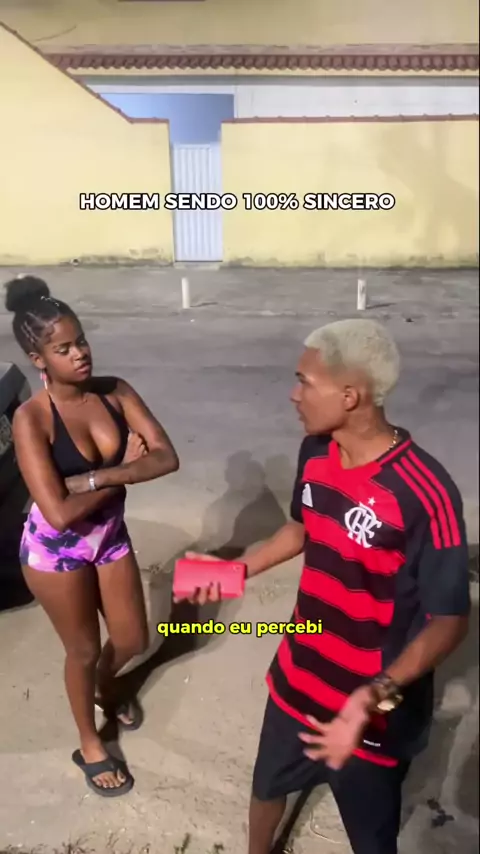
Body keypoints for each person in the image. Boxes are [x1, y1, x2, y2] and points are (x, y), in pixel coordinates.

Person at [178, 318, 470, 854]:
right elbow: (301, 526)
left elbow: (449, 619)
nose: (294, 394)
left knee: (371, 837)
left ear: (350, 395)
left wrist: (373, 695)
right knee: (267, 786)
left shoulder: (426, 494)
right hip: (298, 675)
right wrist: (236, 570)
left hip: (369, 708)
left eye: (304, 381)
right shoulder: (315, 451)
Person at [5, 275, 179, 798]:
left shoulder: (115, 391)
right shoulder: (32, 419)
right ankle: (89, 743)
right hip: (56, 552)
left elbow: (166, 458)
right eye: (63, 349)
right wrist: (121, 472)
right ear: (38, 359)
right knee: (81, 650)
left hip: (108, 535)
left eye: (80, 341)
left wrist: (93, 480)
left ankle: (106, 687)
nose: (79, 354)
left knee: (131, 640)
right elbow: (58, 514)